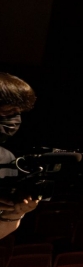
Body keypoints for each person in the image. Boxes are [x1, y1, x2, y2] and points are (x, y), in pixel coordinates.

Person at [0, 74, 43, 243]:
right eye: (8, 111)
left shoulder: (6, 158)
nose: (14, 120)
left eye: (18, 113)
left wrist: (15, 213)